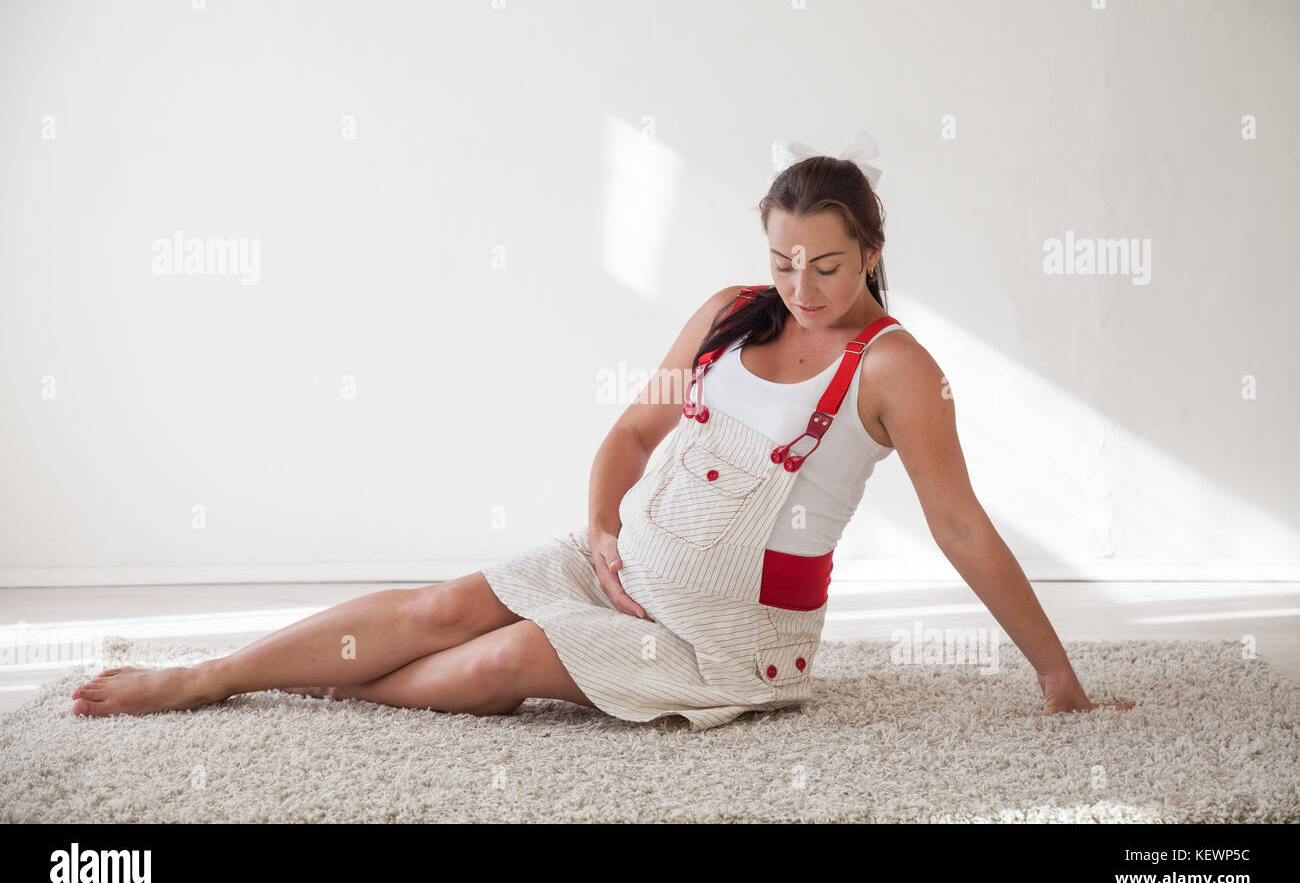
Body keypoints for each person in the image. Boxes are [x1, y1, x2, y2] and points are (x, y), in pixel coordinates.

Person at [70, 135, 1135, 728]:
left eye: (826, 263)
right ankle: (205, 676)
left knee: (505, 659)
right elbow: (629, 435)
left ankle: (296, 687)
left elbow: (960, 527)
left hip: (728, 641)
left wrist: (1053, 672)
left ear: (870, 250)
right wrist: (603, 532)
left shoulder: (898, 369)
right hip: (624, 571)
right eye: (783, 261)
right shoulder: (731, 311)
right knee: (443, 603)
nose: (801, 288)